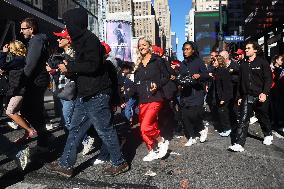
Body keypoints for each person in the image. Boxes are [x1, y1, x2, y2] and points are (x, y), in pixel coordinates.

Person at [45, 8, 128, 177]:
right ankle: (65, 164)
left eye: (68, 24)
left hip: (96, 93)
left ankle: (119, 162)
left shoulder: (89, 39)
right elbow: (85, 67)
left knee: (105, 129)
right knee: (75, 129)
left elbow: (93, 65)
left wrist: (70, 67)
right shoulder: (81, 41)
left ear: (75, 23)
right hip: (86, 93)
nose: (67, 28)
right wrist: (70, 70)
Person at [129, 37, 169, 162]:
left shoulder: (157, 60)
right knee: (147, 127)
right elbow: (136, 84)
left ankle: (161, 140)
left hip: (155, 97)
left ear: (149, 46)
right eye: (139, 45)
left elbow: (167, 76)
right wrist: (128, 92)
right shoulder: (138, 64)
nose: (141, 47)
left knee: (145, 127)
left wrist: (157, 84)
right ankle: (152, 150)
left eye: (144, 45)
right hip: (142, 99)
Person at [229, 41, 273, 152]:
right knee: (243, 119)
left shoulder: (262, 62)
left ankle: (268, 134)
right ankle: (239, 143)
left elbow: (268, 79)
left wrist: (265, 93)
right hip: (246, 96)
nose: (246, 50)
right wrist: (239, 96)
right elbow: (240, 82)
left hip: (260, 96)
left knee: (262, 117)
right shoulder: (243, 64)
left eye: (249, 48)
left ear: (255, 50)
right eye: (246, 48)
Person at [19, 17, 50, 151]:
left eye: (23, 29)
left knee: (29, 109)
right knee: (33, 110)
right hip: (38, 79)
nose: (21, 31)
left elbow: (31, 64)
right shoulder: (36, 40)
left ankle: (44, 141)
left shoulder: (36, 40)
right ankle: (44, 138)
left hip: (36, 80)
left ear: (31, 29)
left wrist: (22, 79)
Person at [0, 40, 38, 142]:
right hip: (17, 90)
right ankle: (29, 131)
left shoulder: (19, 59)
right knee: (20, 112)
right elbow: (6, 68)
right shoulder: (20, 60)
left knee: (10, 111)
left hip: (19, 90)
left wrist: (4, 52)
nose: (9, 49)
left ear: (14, 48)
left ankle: (31, 131)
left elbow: (2, 65)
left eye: (10, 48)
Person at [178, 41, 209, 146]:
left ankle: (202, 129)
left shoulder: (198, 61)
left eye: (187, 49)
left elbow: (207, 75)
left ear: (193, 50)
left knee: (194, 114)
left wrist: (199, 75)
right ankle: (192, 137)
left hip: (196, 93)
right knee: (185, 116)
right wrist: (179, 82)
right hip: (185, 93)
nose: (185, 51)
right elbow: (181, 77)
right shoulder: (182, 63)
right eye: (184, 49)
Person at [207, 55, 233, 136]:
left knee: (223, 112)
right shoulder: (216, 70)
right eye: (213, 61)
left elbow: (226, 86)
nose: (213, 62)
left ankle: (227, 129)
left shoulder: (224, 71)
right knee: (220, 112)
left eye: (215, 61)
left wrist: (223, 98)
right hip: (217, 96)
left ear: (220, 61)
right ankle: (224, 128)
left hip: (223, 96)